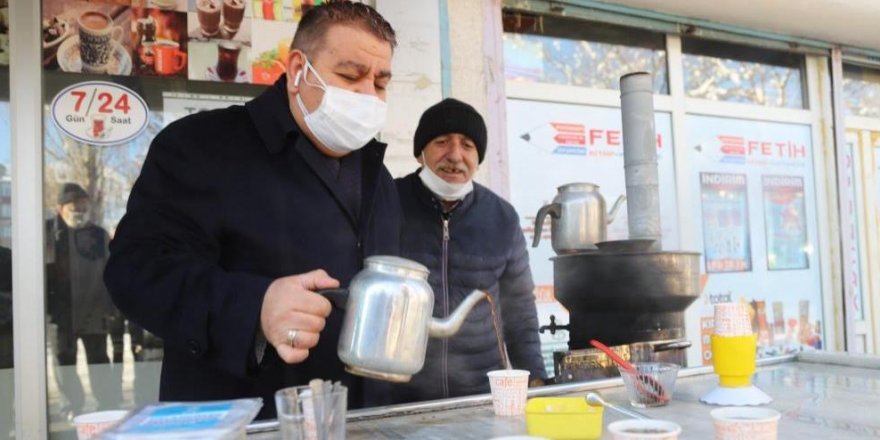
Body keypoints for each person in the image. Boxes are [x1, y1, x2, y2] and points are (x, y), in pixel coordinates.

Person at [104, 1, 400, 419]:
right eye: (351, 75)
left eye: (381, 83)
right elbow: (135, 272)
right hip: (243, 422)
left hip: (357, 421)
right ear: (298, 69)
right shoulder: (202, 146)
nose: (368, 94)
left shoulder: (379, 179)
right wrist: (255, 308)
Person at [391, 98, 546, 403]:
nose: (455, 155)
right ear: (420, 152)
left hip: (482, 393)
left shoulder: (501, 217)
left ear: (479, 157)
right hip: (399, 394)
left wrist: (535, 378)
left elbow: (520, 310)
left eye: (467, 145)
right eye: (441, 142)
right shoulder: (387, 203)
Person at [47, 183, 123, 417]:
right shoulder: (47, 233)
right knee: (64, 360)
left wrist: (112, 308)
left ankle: (106, 404)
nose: (80, 211)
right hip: (61, 313)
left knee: (98, 360)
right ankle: (73, 405)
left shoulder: (98, 235)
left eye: (84, 206)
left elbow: (112, 271)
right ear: (60, 208)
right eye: (74, 206)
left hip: (94, 309)